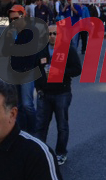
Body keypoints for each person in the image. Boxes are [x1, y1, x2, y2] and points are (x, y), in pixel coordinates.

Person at [35, 24, 82, 166]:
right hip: (45, 94)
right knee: (41, 126)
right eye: (49, 34)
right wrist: (39, 88)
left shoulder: (68, 49)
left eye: (55, 34)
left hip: (62, 93)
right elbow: (36, 70)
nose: (52, 36)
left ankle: (61, 153)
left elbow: (77, 69)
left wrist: (61, 71)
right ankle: (40, 153)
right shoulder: (41, 50)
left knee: (62, 125)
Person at [7, 5, 37, 134]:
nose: (14, 21)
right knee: (17, 105)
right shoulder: (11, 31)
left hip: (27, 71)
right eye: (11, 19)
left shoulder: (31, 31)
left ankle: (34, 132)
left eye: (16, 18)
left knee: (27, 104)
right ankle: (22, 132)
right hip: (14, 70)